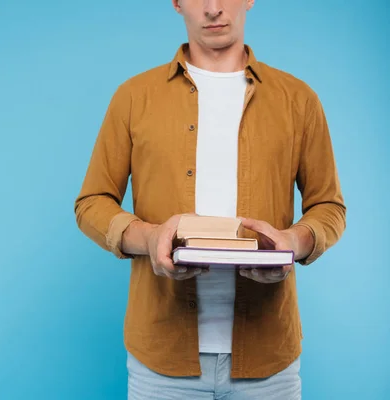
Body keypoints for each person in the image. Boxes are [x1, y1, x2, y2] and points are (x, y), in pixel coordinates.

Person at [73, 0, 346, 398]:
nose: (214, 8)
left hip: (270, 364)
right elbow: (92, 202)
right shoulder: (133, 97)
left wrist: (292, 243)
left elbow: (329, 207)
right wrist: (149, 238)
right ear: (177, 3)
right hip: (161, 365)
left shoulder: (298, 99)